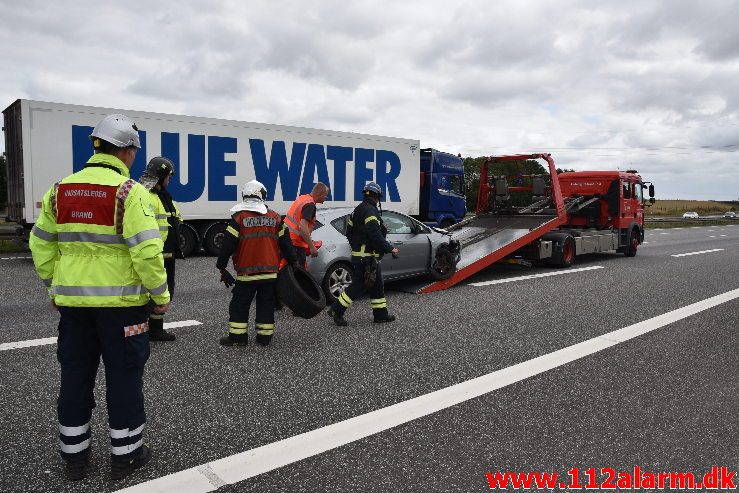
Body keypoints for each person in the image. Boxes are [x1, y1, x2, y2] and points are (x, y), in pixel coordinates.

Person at [29, 114, 169, 481]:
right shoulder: (129, 193)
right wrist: (160, 295)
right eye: (134, 151)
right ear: (125, 150)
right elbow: (147, 252)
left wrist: (53, 287)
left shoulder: (59, 190)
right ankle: (126, 456)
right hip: (123, 310)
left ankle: (74, 458)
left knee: (75, 377)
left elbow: (41, 245)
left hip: (74, 309)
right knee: (124, 378)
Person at [217, 180, 298, 347]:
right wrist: (294, 262)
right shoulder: (275, 217)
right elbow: (286, 244)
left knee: (240, 304)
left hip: (247, 274)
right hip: (270, 273)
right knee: (266, 304)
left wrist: (221, 266)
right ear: (262, 196)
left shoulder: (239, 218)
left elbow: (227, 246)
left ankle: (238, 338)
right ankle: (264, 338)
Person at [327, 182, 398, 326]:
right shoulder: (371, 211)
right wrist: (389, 248)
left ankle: (380, 315)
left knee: (377, 285)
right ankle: (336, 310)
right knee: (359, 286)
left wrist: (357, 247)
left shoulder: (358, 210)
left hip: (363, 256)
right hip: (366, 258)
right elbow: (375, 235)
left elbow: (349, 233)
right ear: (377, 196)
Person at [138, 157, 183, 342]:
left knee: (164, 291)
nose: (169, 180)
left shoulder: (164, 197)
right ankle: (144, 330)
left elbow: (176, 218)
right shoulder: (147, 196)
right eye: (168, 176)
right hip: (156, 254)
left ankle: (155, 329)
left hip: (167, 254)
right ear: (161, 176)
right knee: (150, 292)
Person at [283, 182, 329, 267]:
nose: (326, 198)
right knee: (299, 273)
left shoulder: (303, 198)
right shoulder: (310, 205)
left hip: (287, 240)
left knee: (288, 271)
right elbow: (302, 227)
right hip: (296, 244)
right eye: (325, 195)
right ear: (319, 194)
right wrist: (312, 247)